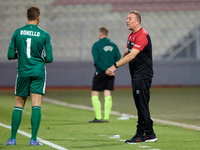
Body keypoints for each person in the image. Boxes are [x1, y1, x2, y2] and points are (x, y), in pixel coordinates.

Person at [106, 10, 157, 143]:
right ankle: (150, 133)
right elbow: (127, 52)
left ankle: (140, 135)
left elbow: (132, 55)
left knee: (141, 105)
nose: (127, 20)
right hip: (136, 75)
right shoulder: (132, 35)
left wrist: (115, 66)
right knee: (142, 105)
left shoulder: (143, 35)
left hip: (143, 75)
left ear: (137, 21)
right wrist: (116, 65)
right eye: (127, 18)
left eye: (130, 18)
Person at [4, 6, 53, 146]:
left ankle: (12, 139)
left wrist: (22, 55)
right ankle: (33, 139)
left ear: (27, 17)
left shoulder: (17, 33)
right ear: (38, 18)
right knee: (36, 105)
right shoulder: (44, 34)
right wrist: (38, 57)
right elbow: (49, 59)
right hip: (38, 72)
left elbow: (9, 56)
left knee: (18, 105)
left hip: (23, 72)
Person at [89, 27, 121, 123]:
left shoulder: (96, 45)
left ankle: (98, 117)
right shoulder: (114, 46)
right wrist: (112, 69)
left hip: (100, 72)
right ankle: (106, 118)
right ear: (107, 34)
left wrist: (104, 69)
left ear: (100, 34)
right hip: (111, 73)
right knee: (107, 93)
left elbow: (97, 60)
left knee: (95, 93)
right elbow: (119, 58)